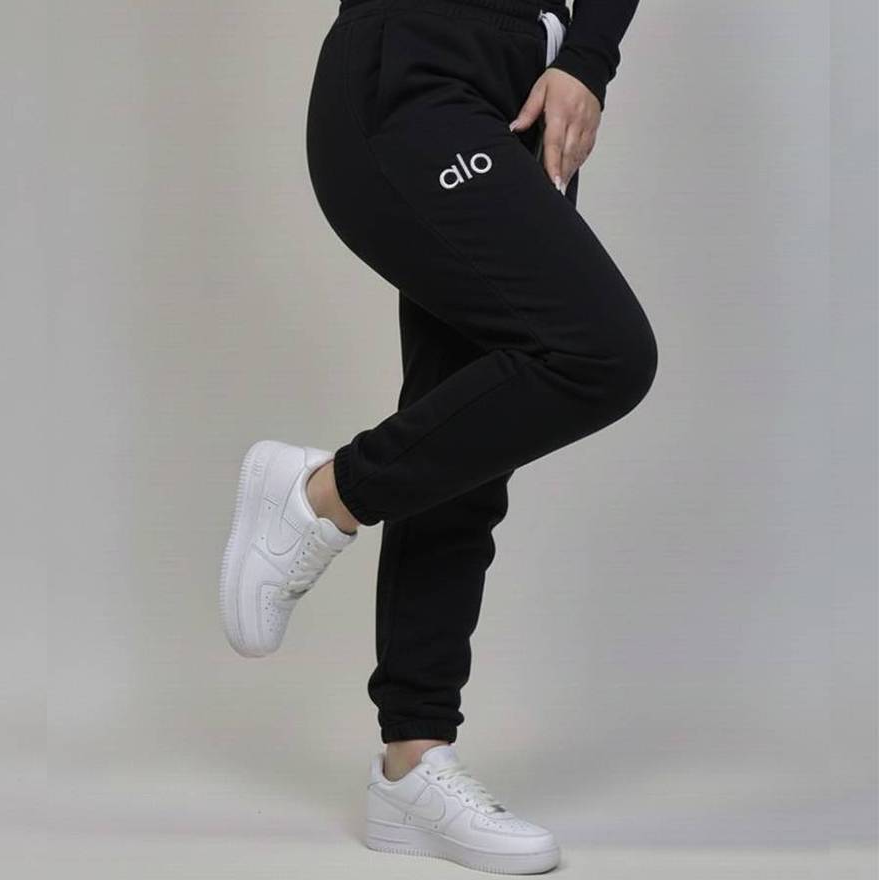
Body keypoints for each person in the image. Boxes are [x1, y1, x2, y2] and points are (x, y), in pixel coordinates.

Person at [219, 0, 653, 872]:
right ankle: (323, 496)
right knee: (601, 352)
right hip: (416, 56)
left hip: (530, 83)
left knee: (469, 426)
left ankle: (412, 767)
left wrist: (587, 60)